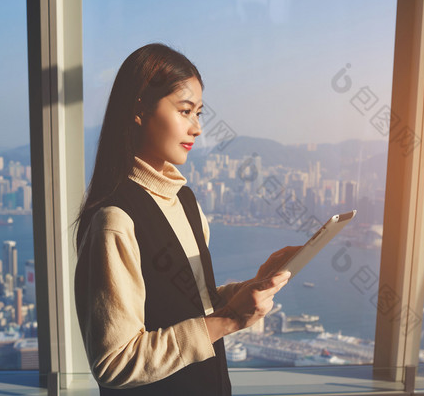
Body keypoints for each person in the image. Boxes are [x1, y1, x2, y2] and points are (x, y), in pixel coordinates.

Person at [73, 43, 300, 395]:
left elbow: (194, 302)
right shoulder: (115, 221)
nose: (196, 129)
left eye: (198, 114)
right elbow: (114, 362)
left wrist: (248, 289)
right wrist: (227, 320)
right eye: (184, 111)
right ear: (139, 109)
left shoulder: (185, 201)